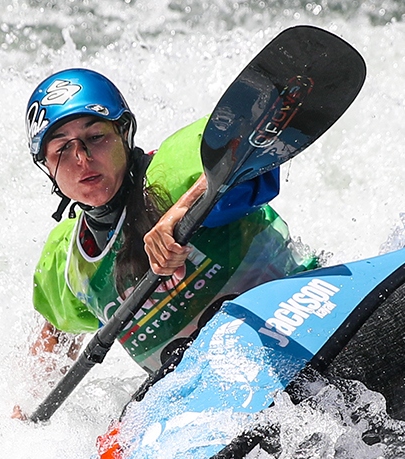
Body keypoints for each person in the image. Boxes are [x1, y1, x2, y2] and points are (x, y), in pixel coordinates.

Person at [23, 67, 318, 382]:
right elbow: (56, 333)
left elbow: (262, 141)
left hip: (302, 320)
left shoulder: (177, 169)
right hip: (208, 392)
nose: (81, 158)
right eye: (62, 149)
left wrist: (183, 207)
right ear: (48, 168)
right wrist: (28, 401)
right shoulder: (68, 264)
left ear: (124, 134)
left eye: (95, 137)